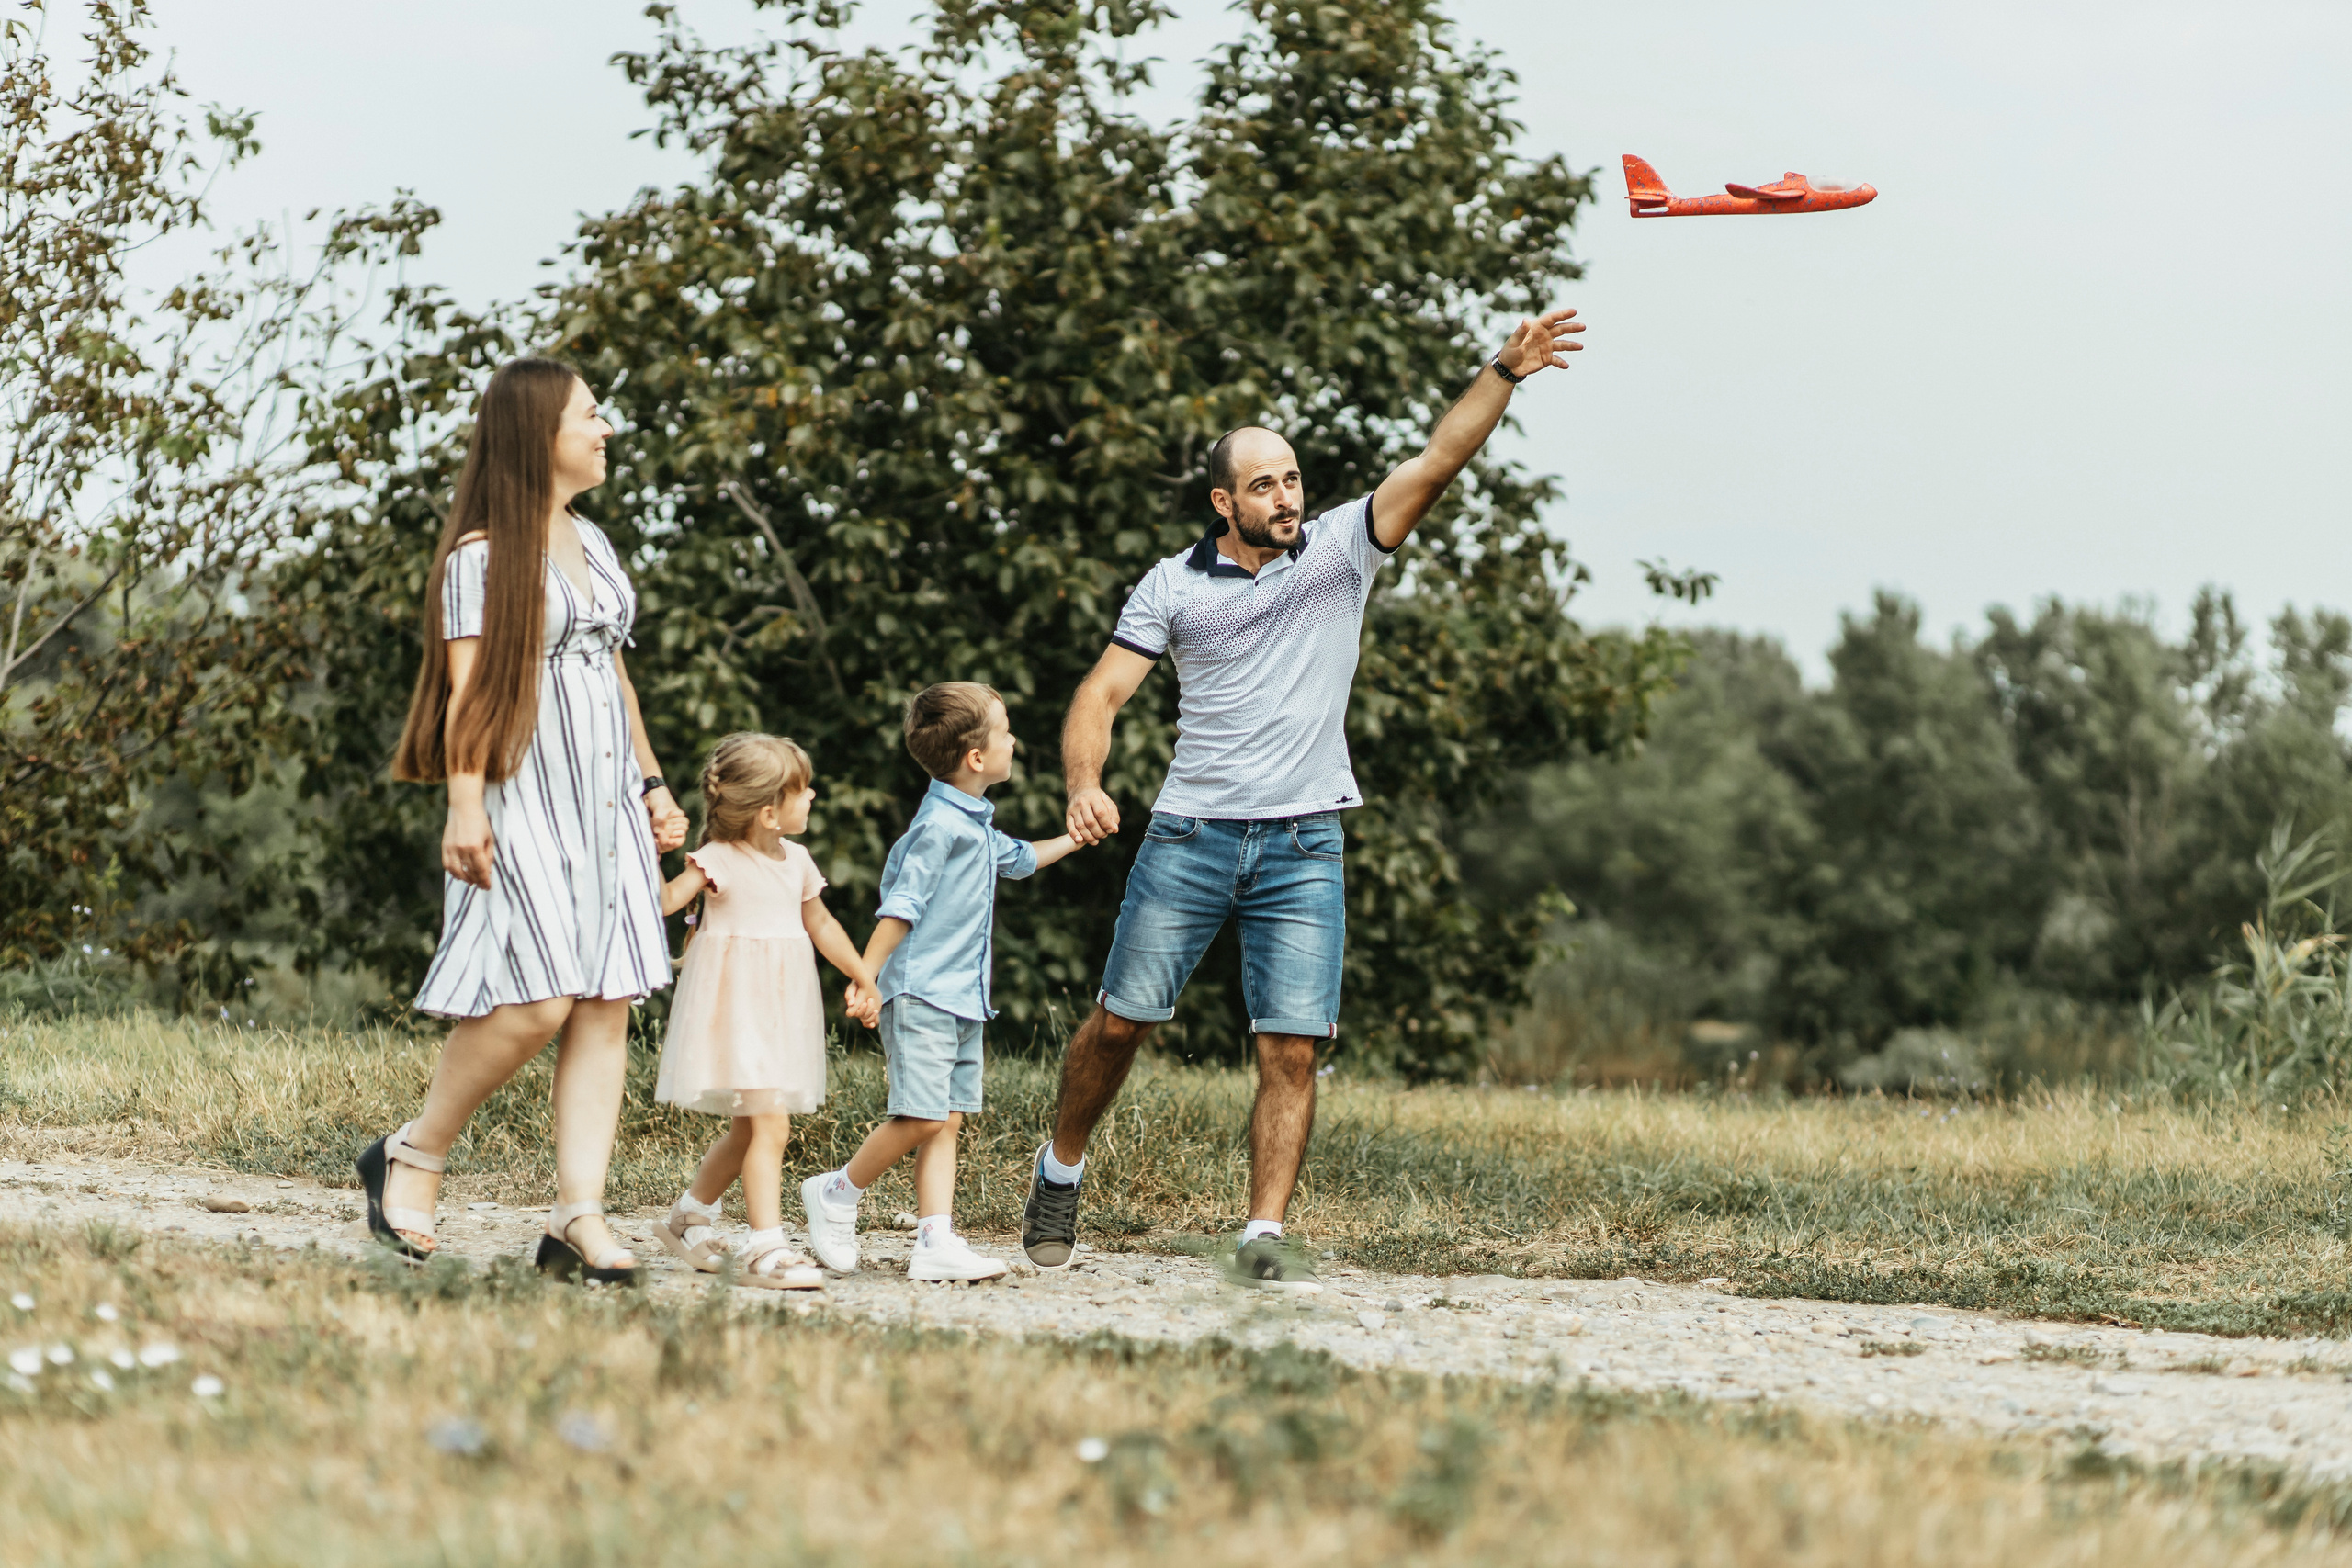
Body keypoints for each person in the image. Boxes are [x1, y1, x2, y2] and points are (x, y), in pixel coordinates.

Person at [1023, 308, 1589, 1288]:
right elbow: (1100, 695)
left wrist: (1505, 370)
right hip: (1190, 834)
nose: (1285, 497)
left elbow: (1434, 460)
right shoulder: (1173, 588)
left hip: (1303, 843)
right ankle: (1059, 1167)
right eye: (1262, 485)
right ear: (1221, 501)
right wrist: (1084, 784)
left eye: (1290, 479)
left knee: (1289, 1047)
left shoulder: (1341, 551)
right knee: (1122, 1023)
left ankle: (1261, 1237)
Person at [357, 356, 688, 1285]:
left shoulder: (596, 543)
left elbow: (612, 677)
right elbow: (470, 693)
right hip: (522, 793)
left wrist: (653, 785)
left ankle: (577, 1216)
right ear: (539, 432)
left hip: (606, 800)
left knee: (605, 998)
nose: (606, 428)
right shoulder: (481, 558)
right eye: (592, 414)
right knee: (537, 998)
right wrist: (463, 805)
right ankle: (414, 1154)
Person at [798, 682, 1085, 1282]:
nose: (1015, 740)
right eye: (1005, 731)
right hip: (923, 992)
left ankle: (934, 1238)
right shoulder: (939, 827)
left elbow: (1022, 860)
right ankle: (836, 1192)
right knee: (924, 1115)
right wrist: (867, 976)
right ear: (975, 757)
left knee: (946, 1117)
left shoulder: (975, 823)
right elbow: (901, 906)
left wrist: (1078, 837)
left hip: (960, 998)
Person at [650, 733, 881, 1290]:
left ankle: (686, 1219)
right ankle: (765, 1247)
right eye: (803, 790)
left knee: (746, 1132)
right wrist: (649, 849)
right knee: (770, 1126)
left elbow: (820, 924)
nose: (815, 796)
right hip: (734, 1015)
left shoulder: (797, 860)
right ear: (770, 811)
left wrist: (862, 974)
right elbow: (662, 902)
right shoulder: (718, 859)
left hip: (778, 1014)